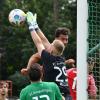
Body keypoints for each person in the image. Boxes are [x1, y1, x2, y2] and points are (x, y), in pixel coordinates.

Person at [25, 12, 71, 100]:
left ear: (52, 49)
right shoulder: (61, 58)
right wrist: (36, 26)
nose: (49, 45)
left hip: (56, 94)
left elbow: (39, 42)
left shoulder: (47, 57)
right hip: (67, 94)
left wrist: (31, 27)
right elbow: (44, 40)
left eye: (51, 45)